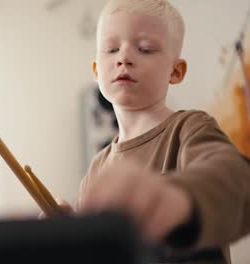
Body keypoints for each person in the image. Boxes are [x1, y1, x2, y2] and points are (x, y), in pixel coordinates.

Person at [51, 0, 250, 263]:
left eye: (144, 48)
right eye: (111, 49)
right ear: (97, 72)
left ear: (175, 71)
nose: (123, 57)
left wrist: (175, 199)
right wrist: (71, 234)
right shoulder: (97, 168)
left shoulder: (189, 128)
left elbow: (238, 180)